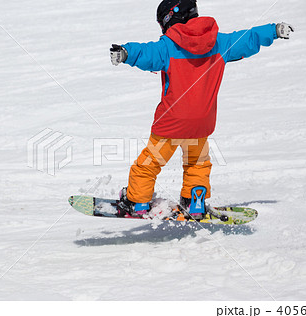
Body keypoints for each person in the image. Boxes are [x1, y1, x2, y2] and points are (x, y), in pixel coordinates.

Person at [110, 0, 294, 219]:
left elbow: (146, 53)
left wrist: (125, 53)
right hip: (202, 123)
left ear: (170, 19)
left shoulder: (169, 46)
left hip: (172, 122)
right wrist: (273, 31)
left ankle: (137, 202)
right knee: (197, 163)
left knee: (149, 163)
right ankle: (194, 202)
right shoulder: (219, 42)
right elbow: (248, 38)